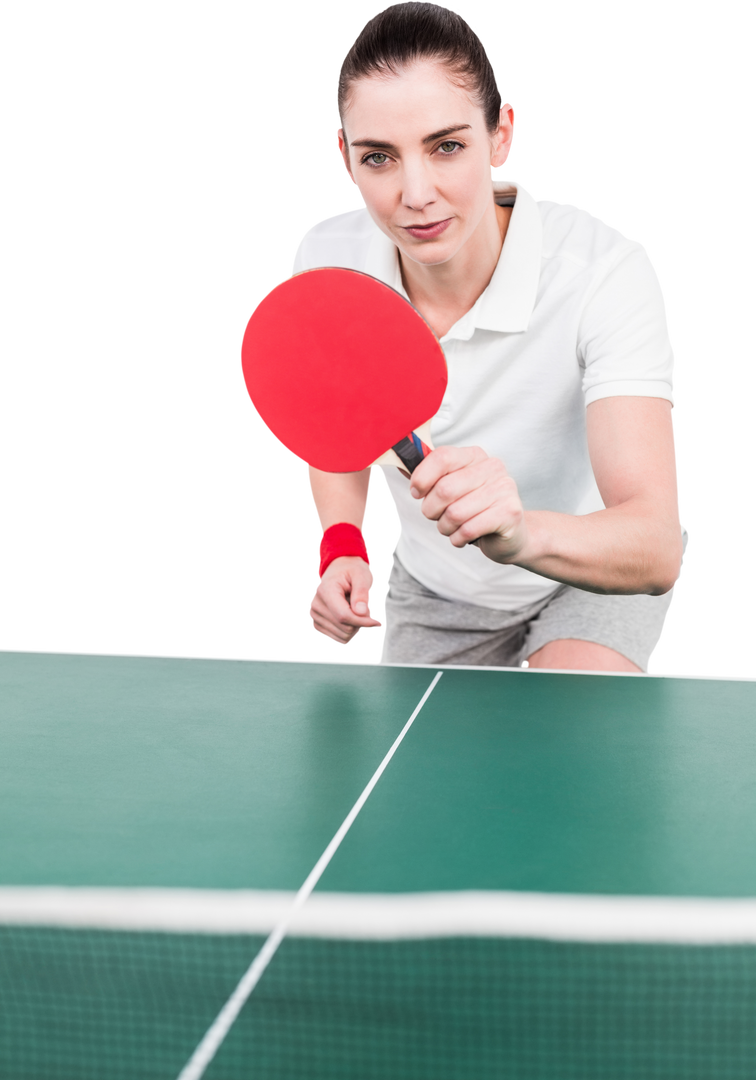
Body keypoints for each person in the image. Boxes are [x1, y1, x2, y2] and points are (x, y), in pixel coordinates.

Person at [298, 0, 690, 672]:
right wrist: (341, 541)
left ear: (501, 135)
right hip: (437, 589)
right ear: (345, 158)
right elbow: (339, 428)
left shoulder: (603, 271)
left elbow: (655, 545)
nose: (416, 193)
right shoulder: (326, 265)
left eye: (446, 146)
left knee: (557, 735)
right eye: (380, 157)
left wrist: (518, 532)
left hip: (591, 570)